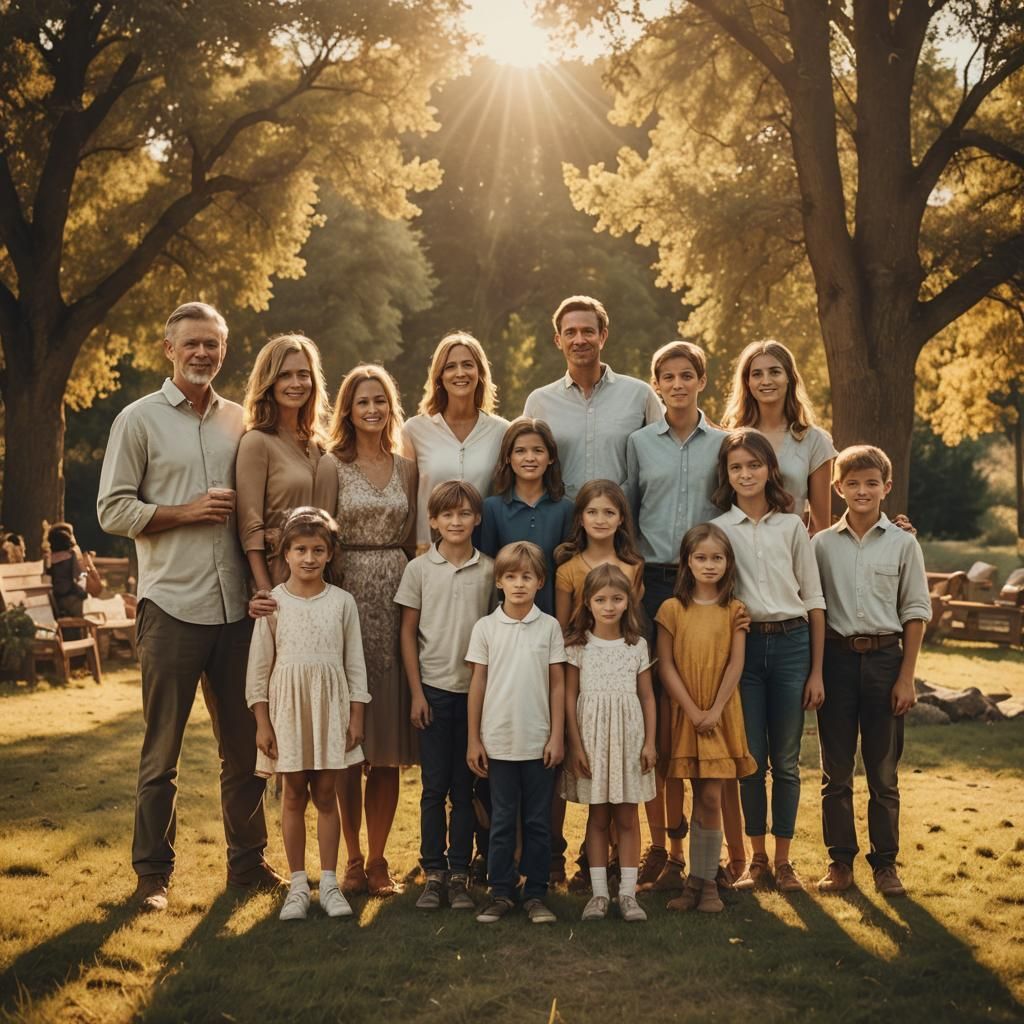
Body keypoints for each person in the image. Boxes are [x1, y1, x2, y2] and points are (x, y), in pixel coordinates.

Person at [97, 301, 280, 913]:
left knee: (245, 750)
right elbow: (112, 509)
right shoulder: (138, 420)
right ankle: (153, 876)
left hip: (236, 611)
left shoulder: (241, 421)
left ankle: (249, 867)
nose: (203, 353)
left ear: (224, 351)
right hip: (171, 607)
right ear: (168, 348)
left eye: (213, 344)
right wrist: (185, 512)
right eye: (192, 343)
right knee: (162, 752)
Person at [625, 340, 744, 892]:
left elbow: (744, 501)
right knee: (661, 713)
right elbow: (627, 510)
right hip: (651, 580)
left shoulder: (723, 444)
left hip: (706, 580)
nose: (676, 384)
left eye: (686, 375)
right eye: (666, 376)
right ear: (657, 384)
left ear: (701, 380)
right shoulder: (639, 444)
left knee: (706, 703)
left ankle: (716, 854)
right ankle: (666, 848)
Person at [313, 363, 417, 897]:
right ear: (347, 411)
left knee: (387, 747)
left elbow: (410, 540)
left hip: (395, 597)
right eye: (361, 402)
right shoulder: (332, 466)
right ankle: (351, 859)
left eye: (380, 400)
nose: (372, 409)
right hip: (347, 596)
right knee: (349, 746)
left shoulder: (406, 467)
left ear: (390, 407)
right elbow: (319, 542)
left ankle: (379, 860)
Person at [812, 446, 931, 898]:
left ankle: (885, 865)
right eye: (853, 483)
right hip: (837, 662)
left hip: (885, 662)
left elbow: (916, 610)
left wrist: (907, 676)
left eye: (871, 483)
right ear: (838, 488)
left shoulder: (904, 544)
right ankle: (839, 861)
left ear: (886, 486)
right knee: (835, 771)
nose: (862, 491)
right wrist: (817, 672)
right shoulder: (820, 544)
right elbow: (813, 609)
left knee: (883, 773)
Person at [711, 428, 826, 893]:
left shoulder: (792, 525)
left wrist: (817, 669)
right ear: (727, 474)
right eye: (736, 467)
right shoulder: (719, 530)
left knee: (787, 758)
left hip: (793, 643)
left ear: (769, 469)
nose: (746, 474)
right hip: (745, 647)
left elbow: (813, 597)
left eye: (754, 465)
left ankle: (784, 861)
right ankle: (755, 861)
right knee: (752, 759)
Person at [245, 508, 370, 921]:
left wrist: (356, 717)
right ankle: (298, 885)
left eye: (318, 550)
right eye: (300, 549)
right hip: (287, 713)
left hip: (330, 711)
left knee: (327, 794)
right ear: (285, 553)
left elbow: (355, 665)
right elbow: (259, 669)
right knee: (294, 794)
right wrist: (263, 721)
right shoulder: (272, 604)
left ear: (330, 553)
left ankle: (330, 883)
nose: (309, 558)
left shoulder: (342, 603)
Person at [394, 480, 495, 912]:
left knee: (464, 786)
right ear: (432, 520)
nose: (456, 521)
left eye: (464, 513)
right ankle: (433, 872)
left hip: (475, 694)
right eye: (447, 514)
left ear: (477, 519)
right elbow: (407, 632)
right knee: (434, 787)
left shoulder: (490, 569)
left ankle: (460, 872)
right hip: (433, 691)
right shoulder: (419, 569)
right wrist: (416, 693)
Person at [654, 524, 757, 913]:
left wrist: (713, 710)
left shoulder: (735, 610)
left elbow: (736, 663)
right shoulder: (671, 609)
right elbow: (665, 665)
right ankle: (694, 884)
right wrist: (694, 710)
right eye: (701, 558)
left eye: (717, 558)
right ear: (687, 562)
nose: (709, 565)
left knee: (711, 795)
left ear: (728, 563)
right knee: (696, 794)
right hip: (685, 711)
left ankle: (708, 883)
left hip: (721, 712)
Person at [466, 541, 567, 925]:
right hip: (498, 743)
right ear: (499, 582)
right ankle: (501, 892)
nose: (519, 584)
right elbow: (478, 684)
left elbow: (557, 685)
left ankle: (537, 893)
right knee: (503, 819)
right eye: (511, 576)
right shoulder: (486, 628)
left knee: (538, 821)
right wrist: (474, 739)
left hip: (538, 742)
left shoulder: (550, 627)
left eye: (527, 576)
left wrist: (557, 736)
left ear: (540, 581)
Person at [551, 478, 644, 889]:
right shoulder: (568, 570)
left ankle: (621, 882)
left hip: (623, 679)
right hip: (583, 668)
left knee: (623, 807)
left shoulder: (634, 567)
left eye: (609, 511)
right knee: (596, 808)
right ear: (580, 519)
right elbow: (563, 628)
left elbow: (631, 625)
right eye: (593, 512)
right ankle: (588, 875)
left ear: (622, 518)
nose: (601, 519)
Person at [563, 565, 657, 922]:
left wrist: (649, 742)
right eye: (600, 599)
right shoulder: (578, 646)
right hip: (591, 742)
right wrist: (575, 746)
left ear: (627, 602)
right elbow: (570, 696)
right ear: (587, 603)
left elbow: (647, 697)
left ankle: (628, 895)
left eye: (616, 598)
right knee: (598, 816)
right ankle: (599, 894)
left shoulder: (636, 644)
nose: (608, 606)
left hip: (628, 741)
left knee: (628, 817)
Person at [523, 295, 662, 498]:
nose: (579, 340)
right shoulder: (538, 402)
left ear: (603, 336)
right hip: (561, 526)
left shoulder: (640, 395)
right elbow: (524, 468)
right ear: (558, 341)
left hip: (622, 524)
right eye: (570, 333)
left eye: (588, 331)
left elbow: (663, 457)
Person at [236, 333, 329, 593]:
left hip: (321, 576)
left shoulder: (319, 444)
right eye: (284, 375)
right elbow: (249, 525)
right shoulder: (257, 442)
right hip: (278, 577)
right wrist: (266, 590)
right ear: (269, 382)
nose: (296, 383)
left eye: (303, 374)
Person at [402, 332, 509, 551]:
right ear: (439, 376)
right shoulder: (414, 430)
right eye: (450, 367)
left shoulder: (502, 431)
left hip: (483, 552)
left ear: (480, 372)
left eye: (468, 365)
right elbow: (407, 501)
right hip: (427, 552)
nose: (460, 373)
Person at [720, 340, 837, 535]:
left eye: (774, 372)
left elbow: (821, 526)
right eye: (757, 374)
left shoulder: (815, 440)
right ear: (747, 382)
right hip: (737, 551)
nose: (766, 381)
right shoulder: (729, 439)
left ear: (789, 378)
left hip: (789, 553)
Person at [479, 417, 573, 616]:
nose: (530, 458)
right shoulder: (491, 508)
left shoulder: (565, 509)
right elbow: (486, 572)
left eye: (538, 450)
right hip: (504, 620)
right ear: (507, 457)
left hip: (552, 619)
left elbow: (567, 574)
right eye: (520, 451)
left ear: (551, 457)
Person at [44, 522, 102, 618]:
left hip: (57, 602)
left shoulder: (49, 559)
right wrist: (86, 573)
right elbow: (79, 578)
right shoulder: (70, 556)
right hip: (74, 602)